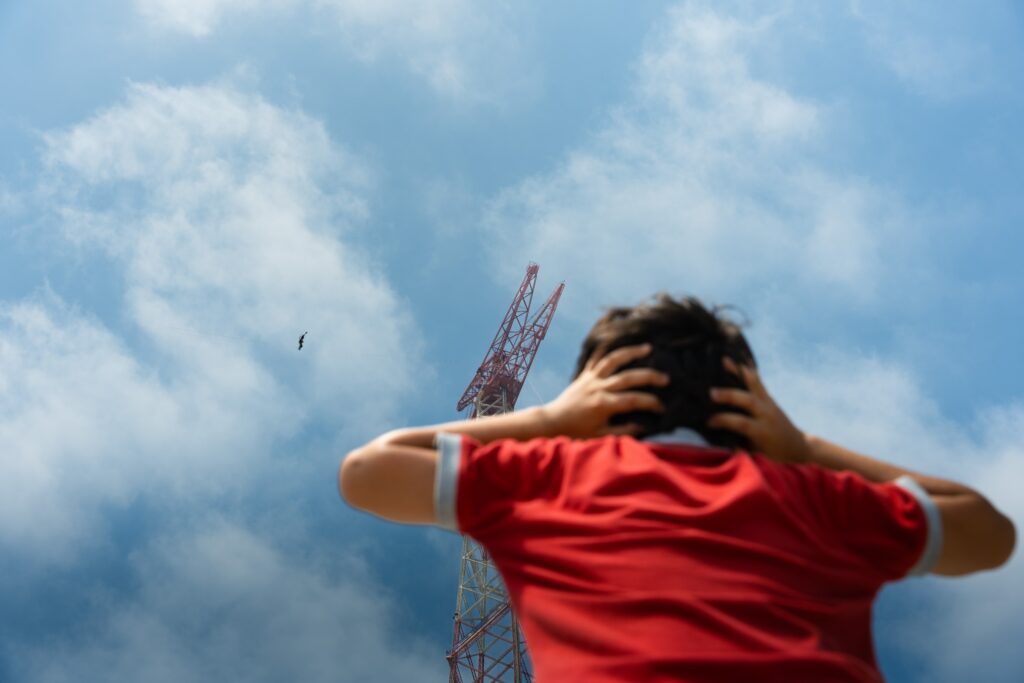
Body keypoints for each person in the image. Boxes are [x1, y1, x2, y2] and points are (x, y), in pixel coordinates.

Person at [339, 294, 1015, 682]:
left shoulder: (552, 479)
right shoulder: (812, 497)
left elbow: (368, 471)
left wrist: (551, 420)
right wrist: (803, 449)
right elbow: (988, 532)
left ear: (595, 405)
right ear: (747, 404)